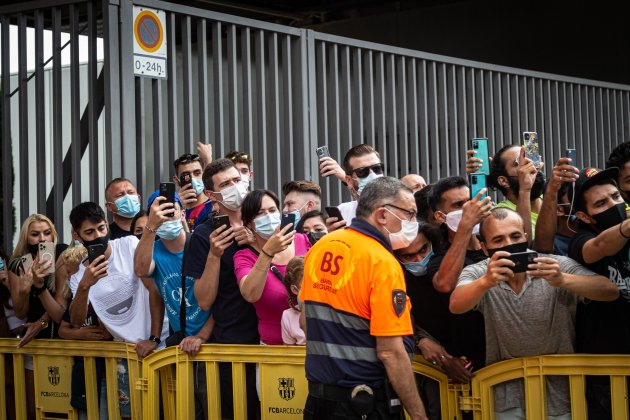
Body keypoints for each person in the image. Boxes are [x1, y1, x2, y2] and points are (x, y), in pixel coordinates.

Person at [450, 207, 618, 420]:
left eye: (515, 236)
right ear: (484, 248)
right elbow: (456, 305)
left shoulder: (554, 264)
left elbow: (610, 291)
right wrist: (486, 282)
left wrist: (563, 280)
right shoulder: (481, 271)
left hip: (562, 393)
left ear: (526, 237)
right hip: (504, 392)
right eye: (498, 240)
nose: (509, 244)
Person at [301, 176, 428, 420]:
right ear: (382, 215)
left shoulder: (321, 246)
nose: (414, 222)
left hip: (318, 400)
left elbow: (306, 321)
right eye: (410, 214)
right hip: (363, 403)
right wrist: (418, 415)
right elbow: (391, 352)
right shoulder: (381, 262)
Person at [68, 202, 168, 419]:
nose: (98, 236)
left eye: (102, 228)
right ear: (76, 235)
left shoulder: (130, 244)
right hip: (124, 358)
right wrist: (85, 285)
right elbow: (76, 321)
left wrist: (154, 337)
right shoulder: (78, 276)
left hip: (157, 348)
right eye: (89, 232)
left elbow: (155, 291)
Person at [185, 158, 260, 419]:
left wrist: (257, 245)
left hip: (274, 342)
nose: (234, 187)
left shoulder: (264, 220)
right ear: (210, 194)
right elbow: (204, 301)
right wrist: (214, 255)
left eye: (237, 180)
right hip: (235, 347)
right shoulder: (204, 236)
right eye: (225, 184)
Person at [566, 166, 630, 419]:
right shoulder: (580, 241)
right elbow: (600, 246)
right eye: (601, 203)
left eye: (616, 197)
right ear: (585, 216)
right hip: (607, 373)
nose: (613, 205)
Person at [424, 176, 490, 370]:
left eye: (470, 202)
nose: (469, 209)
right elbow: (444, 284)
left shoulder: (494, 245)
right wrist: (466, 226)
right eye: (458, 205)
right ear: (440, 216)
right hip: (474, 362)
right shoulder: (439, 259)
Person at [234, 189, 311, 345]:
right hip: (273, 350)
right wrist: (268, 252)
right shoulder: (244, 257)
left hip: (312, 343)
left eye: (272, 210)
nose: (268, 216)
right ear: (249, 223)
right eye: (261, 213)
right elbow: (250, 294)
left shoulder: (303, 240)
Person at [486, 144, 545, 242]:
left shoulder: (553, 199)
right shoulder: (500, 214)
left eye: (530, 159)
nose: (530, 166)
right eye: (518, 162)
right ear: (504, 181)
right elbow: (524, 245)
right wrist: (525, 189)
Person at [327, 144, 385, 231]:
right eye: (362, 172)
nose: (372, 175)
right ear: (349, 181)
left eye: (377, 168)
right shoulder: (343, 211)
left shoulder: (402, 207)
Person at [533, 156, 579, 255]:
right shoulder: (556, 246)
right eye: (574, 195)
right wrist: (552, 190)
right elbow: (543, 248)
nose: (582, 200)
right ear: (559, 209)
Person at [173, 153, 214, 231]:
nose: (193, 179)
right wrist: (177, 206)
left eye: (197, 173)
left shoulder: (214, 206)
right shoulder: (173, 210)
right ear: (176, 180)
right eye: (186, 175)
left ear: (204, 175)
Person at [281, 257, 306, 346]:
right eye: (307, 284)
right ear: (295, 290)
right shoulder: (288, 316)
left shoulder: (328, 310)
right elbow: (288, 355)